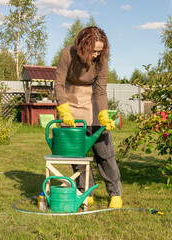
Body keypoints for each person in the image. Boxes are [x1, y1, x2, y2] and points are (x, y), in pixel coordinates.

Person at [54, 26, 122, 208]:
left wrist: (103, 113)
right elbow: (59, 84)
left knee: (105, 153)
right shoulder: (67, 54)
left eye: (100, 52)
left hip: (93, 103)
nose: (96, 55)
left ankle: (115, 193)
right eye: (93, 51)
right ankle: (86, 191)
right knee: (78, 155)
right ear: (83, 46)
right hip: (70, 102)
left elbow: (100, 89)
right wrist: (64, 110)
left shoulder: (101, 58)